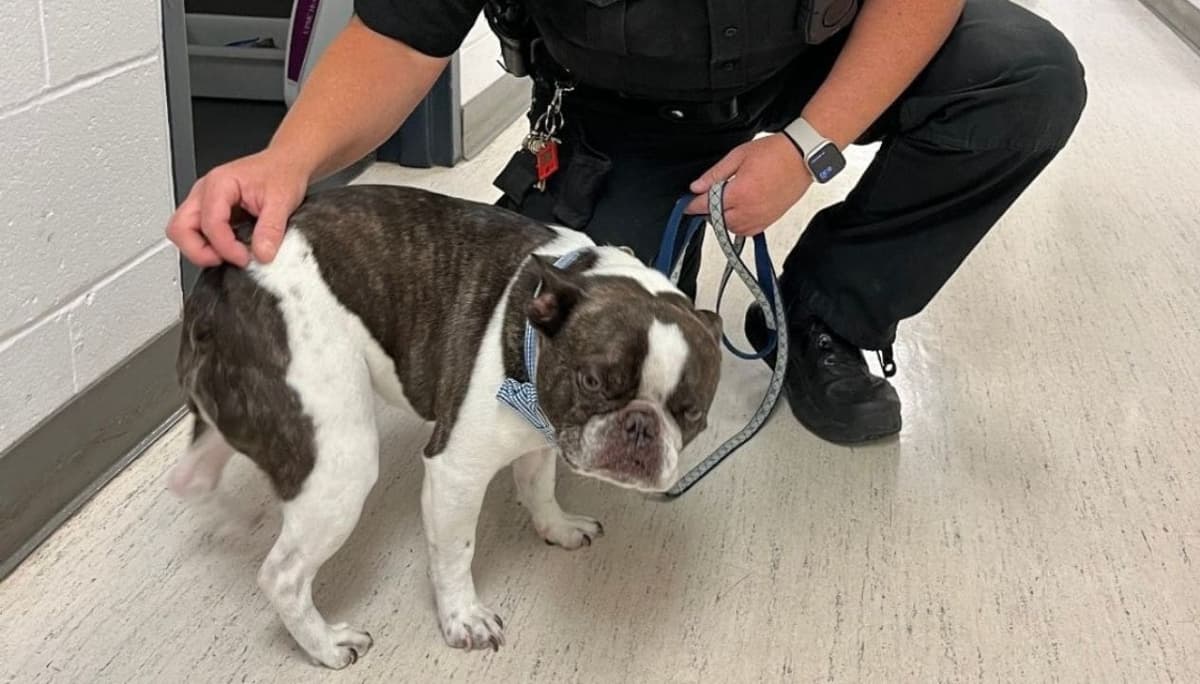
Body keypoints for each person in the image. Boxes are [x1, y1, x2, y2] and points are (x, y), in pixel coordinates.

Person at [166, 0, 1086, 445]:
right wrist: (284, 162)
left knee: (1025, 77)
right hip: (619, 117)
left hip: (808, 71)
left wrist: (808, 145)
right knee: (544, 385)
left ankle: (827, 315)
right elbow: (404, 32)